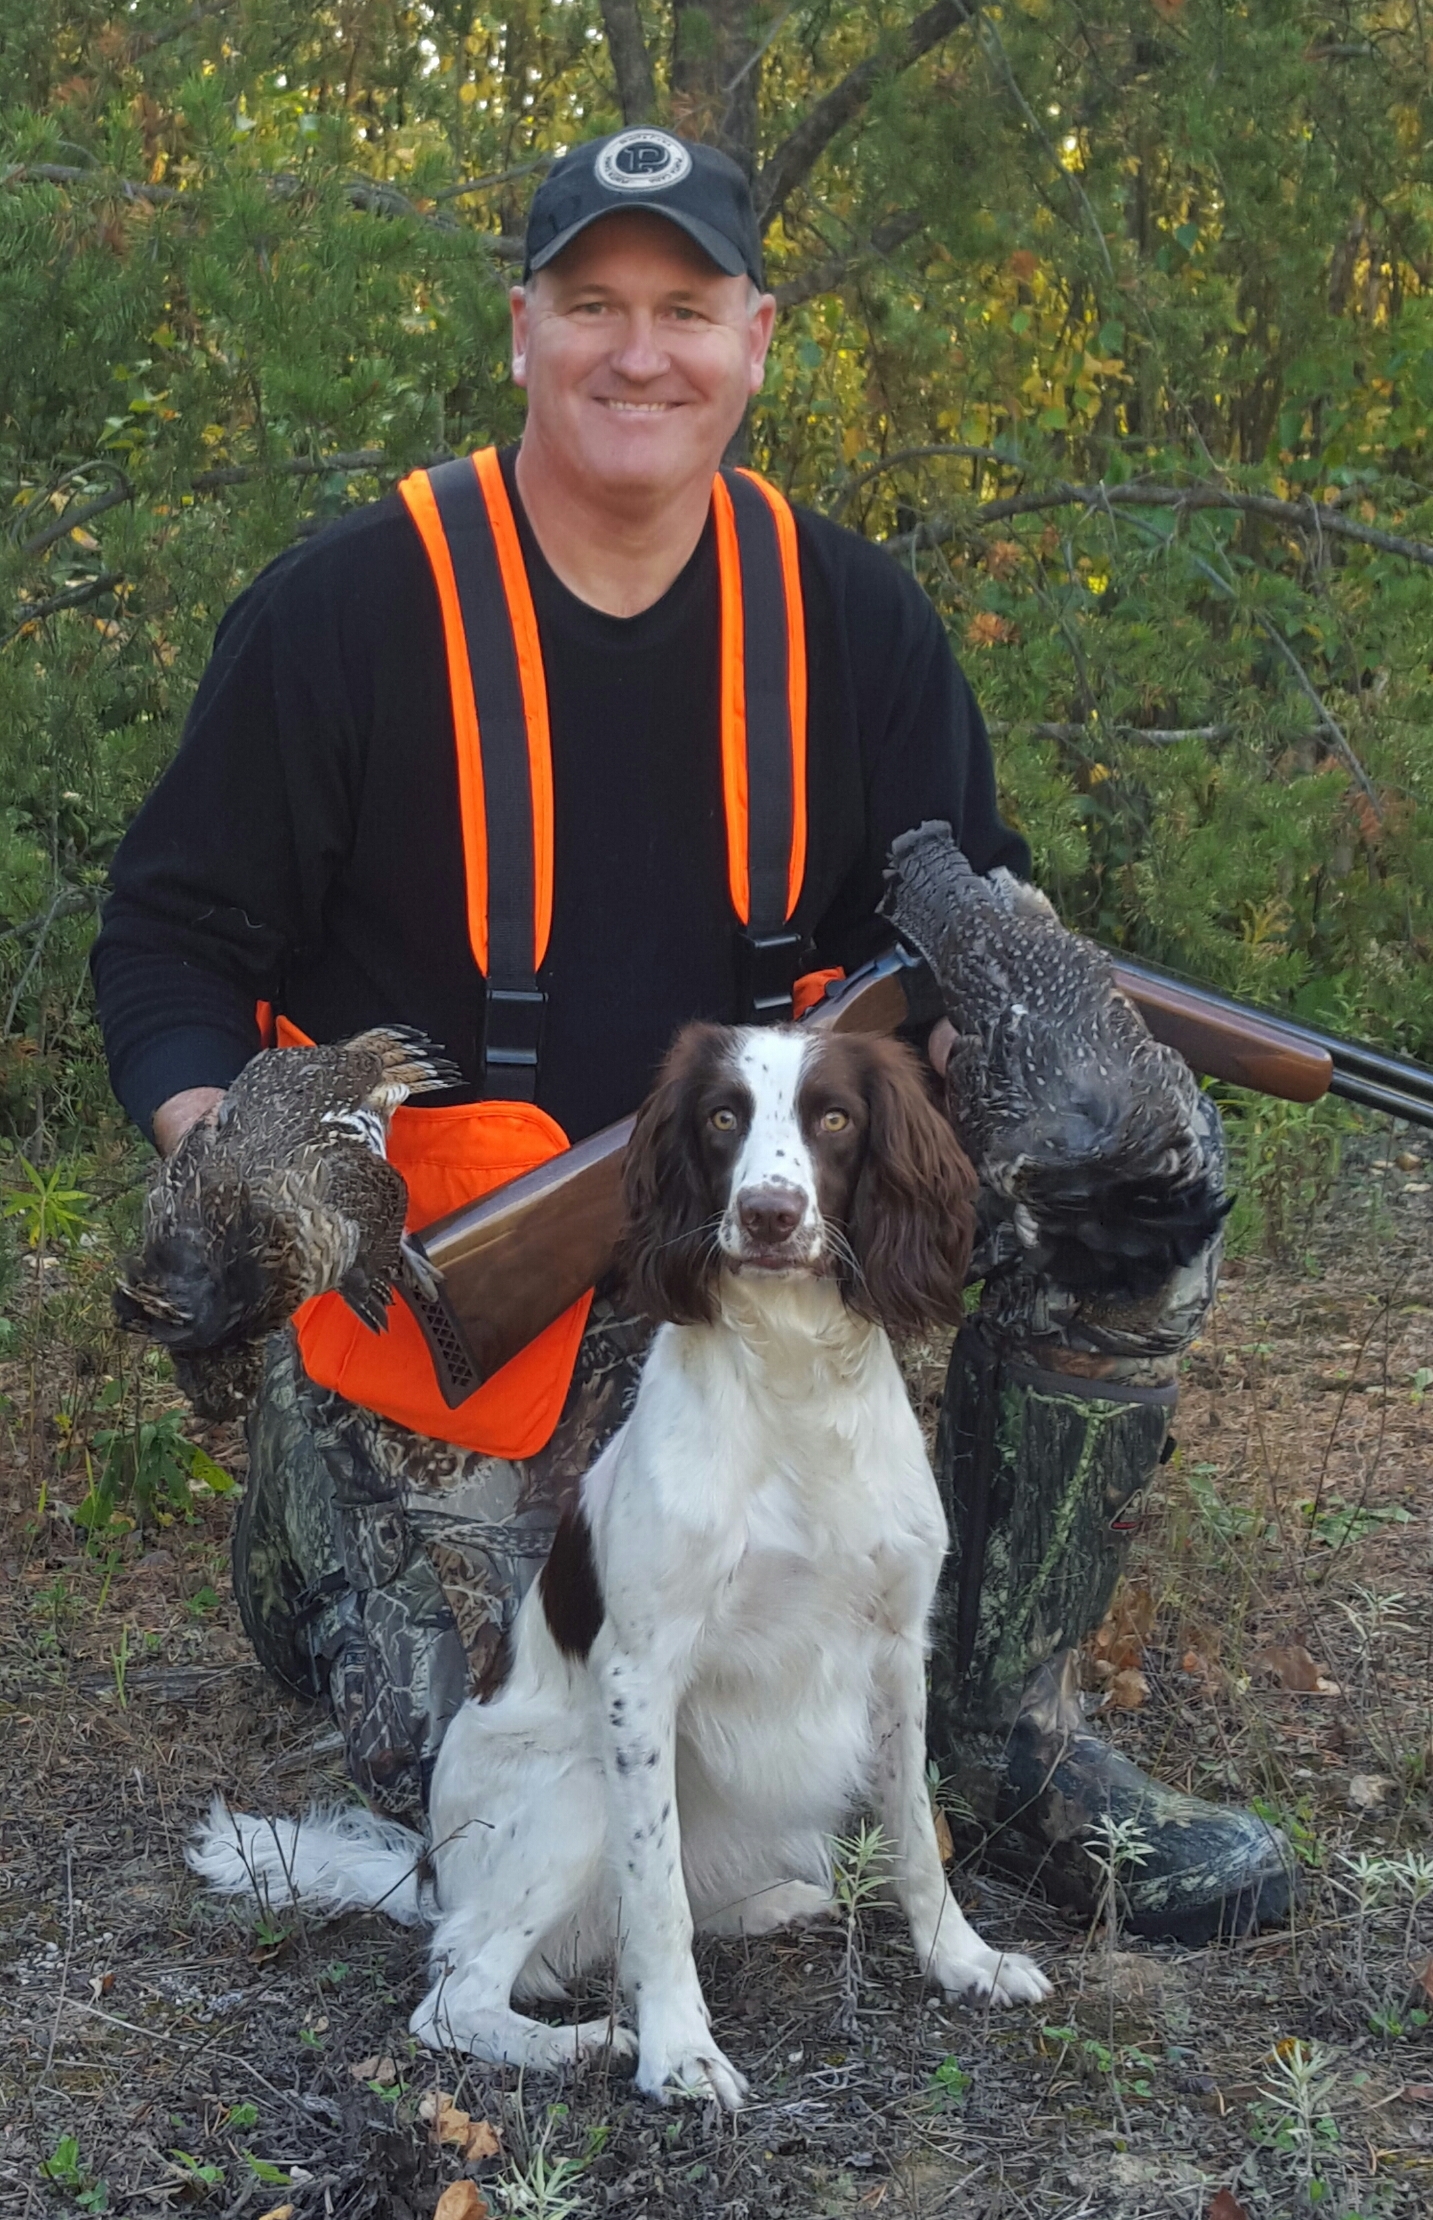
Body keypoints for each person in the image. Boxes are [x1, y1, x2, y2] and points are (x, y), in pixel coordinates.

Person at [93, 127, 1292, 1945]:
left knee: (1123, 1164)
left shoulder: (853, 616)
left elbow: (964, 924)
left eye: (684, 308)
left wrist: (1010, 1086)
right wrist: (230, 1165)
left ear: (755, 339)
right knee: (506, 1773)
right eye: (592, 304)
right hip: (468, 1320)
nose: (637, 353)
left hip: (760, 1257)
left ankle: (1002, 1737)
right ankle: (315, 1526)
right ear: (521, 329)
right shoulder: (347, 610)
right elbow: (170, 938)